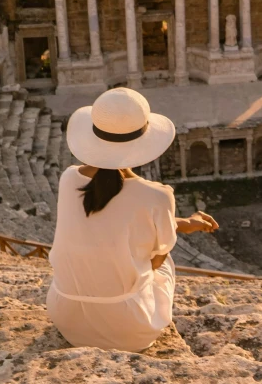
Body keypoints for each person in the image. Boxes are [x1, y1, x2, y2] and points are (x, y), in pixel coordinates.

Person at [47, 87, 218, 352]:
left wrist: (183, 222)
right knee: (164, 258)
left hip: (67, 317)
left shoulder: (68, 179)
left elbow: (110, 221)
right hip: (128, 329)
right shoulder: (157, 195)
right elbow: (154, 259)